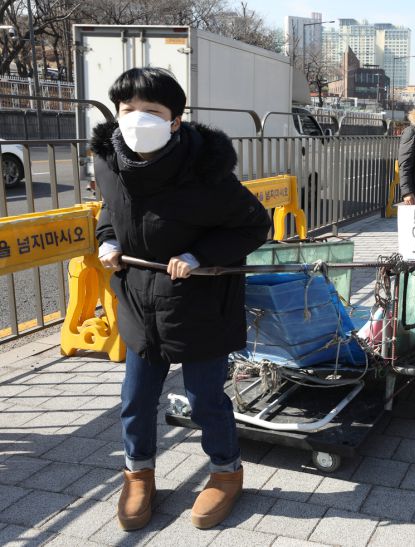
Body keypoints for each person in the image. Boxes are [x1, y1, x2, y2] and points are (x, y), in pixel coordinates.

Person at [93, 67, 272, 531]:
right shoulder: (108, 162)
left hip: (200, 302)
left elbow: (255, 225)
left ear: (175, 121)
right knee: (135, 397)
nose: (137, 119)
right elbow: (109, 212)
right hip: (139, 300)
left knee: (204, 397)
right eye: (128, 109)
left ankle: (226, 471)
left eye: (151, 111)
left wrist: (199, 255)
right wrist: (108, 240)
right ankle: (138, 474)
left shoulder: (205, 171)